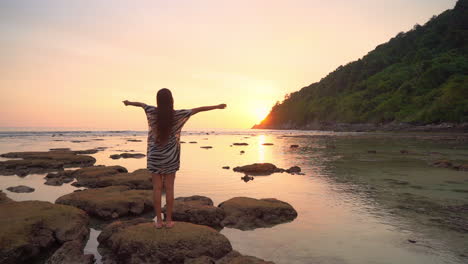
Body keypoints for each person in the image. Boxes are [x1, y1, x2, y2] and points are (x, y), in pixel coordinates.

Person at [123, 88, 226, 228]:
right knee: (170, 188)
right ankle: (169, 220)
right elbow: (199, 109)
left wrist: (128, 103)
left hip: (154, 156)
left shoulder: (151, 111)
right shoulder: (178, 114)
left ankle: (159, 221)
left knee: (157, 189)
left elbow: (140, 104)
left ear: (158, 100)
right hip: (171, 156)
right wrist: (217, 106)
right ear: (171, 100)